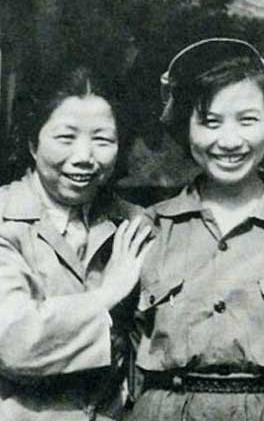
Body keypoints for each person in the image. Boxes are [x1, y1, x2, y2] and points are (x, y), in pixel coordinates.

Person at [128, 38, 264, 421]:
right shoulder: (150, 229)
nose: (229, 141)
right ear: (185, 126)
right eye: (210, 122)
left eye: (247, 120)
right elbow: (130, 344)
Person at [0, 68, 152, 421]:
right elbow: (14, 341)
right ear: (32, 143)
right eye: (66, 138)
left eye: (102, 140)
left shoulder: (135, 223)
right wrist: (107, 294)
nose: (84, 156)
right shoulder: (4, 217)